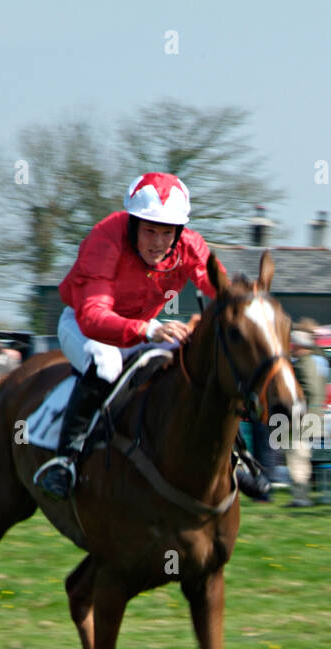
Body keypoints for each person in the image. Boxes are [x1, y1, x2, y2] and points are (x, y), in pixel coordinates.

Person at [34, 172, 265, 502]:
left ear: (179, 231)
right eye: (150, 230)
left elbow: (223, 292)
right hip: (84, 325)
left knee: (196, 359)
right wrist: (149, 329)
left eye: (166, 232)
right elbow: (94, 317)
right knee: (106, 363)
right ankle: (64, 459)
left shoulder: (190, 247)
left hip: (142, 324)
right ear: (132, 225)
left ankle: (236, 457)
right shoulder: (105, 241)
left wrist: (252, 308)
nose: (158, 242)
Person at [286, 329, 325, 507]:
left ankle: (301, 498)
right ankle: (301, 496)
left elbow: (310, 390)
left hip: (303, 418)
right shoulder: (315, 361)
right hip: (310, 416)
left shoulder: (304, 364)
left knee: (297, 456)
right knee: (301, 456)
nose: (292, 348)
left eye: (294, 345)